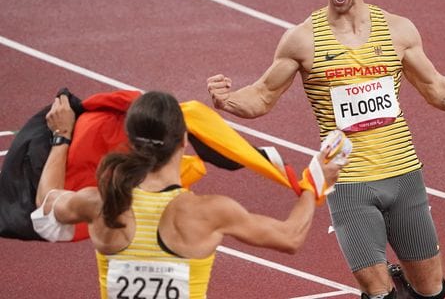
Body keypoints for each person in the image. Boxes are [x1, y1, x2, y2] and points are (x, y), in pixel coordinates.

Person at [206, 0, 445, 298]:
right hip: (349, 181)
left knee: (431, 290)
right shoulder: (301, 40)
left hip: (402, 175)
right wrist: (228, 100)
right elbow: (262, 95)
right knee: (376, 290)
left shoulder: (399, 31)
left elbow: (436, 88)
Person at [31, 91, 345, 298]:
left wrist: (62, 137)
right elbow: (290, 237)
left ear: (129, 140)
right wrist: (316, 181)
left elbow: (45, 202)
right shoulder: (207, 212)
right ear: (184, 140)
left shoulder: (101, 202)